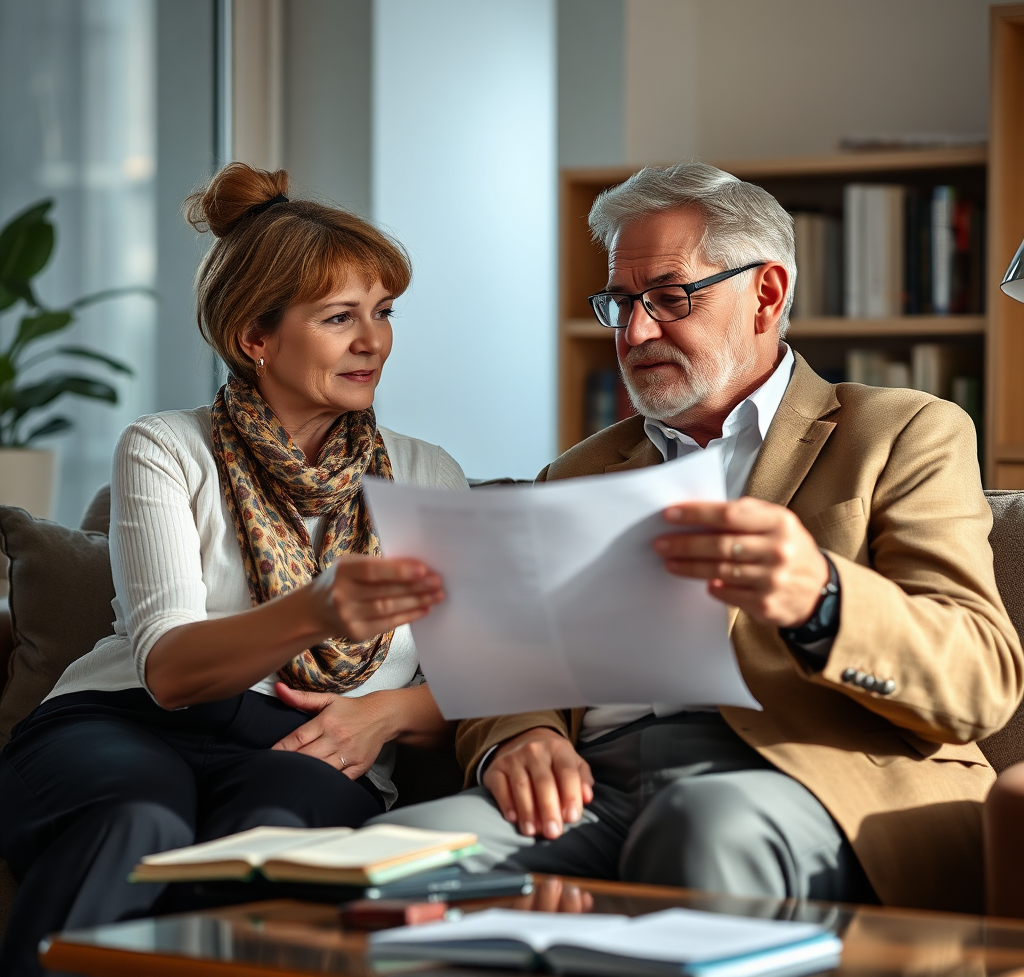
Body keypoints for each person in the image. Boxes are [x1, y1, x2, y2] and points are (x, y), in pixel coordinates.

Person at [375, 162, 1023, 914]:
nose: (636, 331)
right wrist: (516, 738)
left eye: (669, 298)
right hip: (595, 784)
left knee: (700, 828)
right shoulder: (579, 470)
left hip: (810, 775)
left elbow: (979, 680)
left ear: (767, 293)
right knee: (399, 855)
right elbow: (513, 663)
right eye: (621, 303)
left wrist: (822, 598)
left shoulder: (903, 431)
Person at [0, 163, 464, 975]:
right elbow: (172, 673)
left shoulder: (429, 477)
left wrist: (385, 715)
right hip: (126, 719)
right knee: (134, 819)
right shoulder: (167, 448)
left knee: (270, 839)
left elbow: (481, 681)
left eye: (383, 313)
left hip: (316, 747)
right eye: (340, 318)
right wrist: (319, 610)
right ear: (256, 337)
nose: (374, 341)